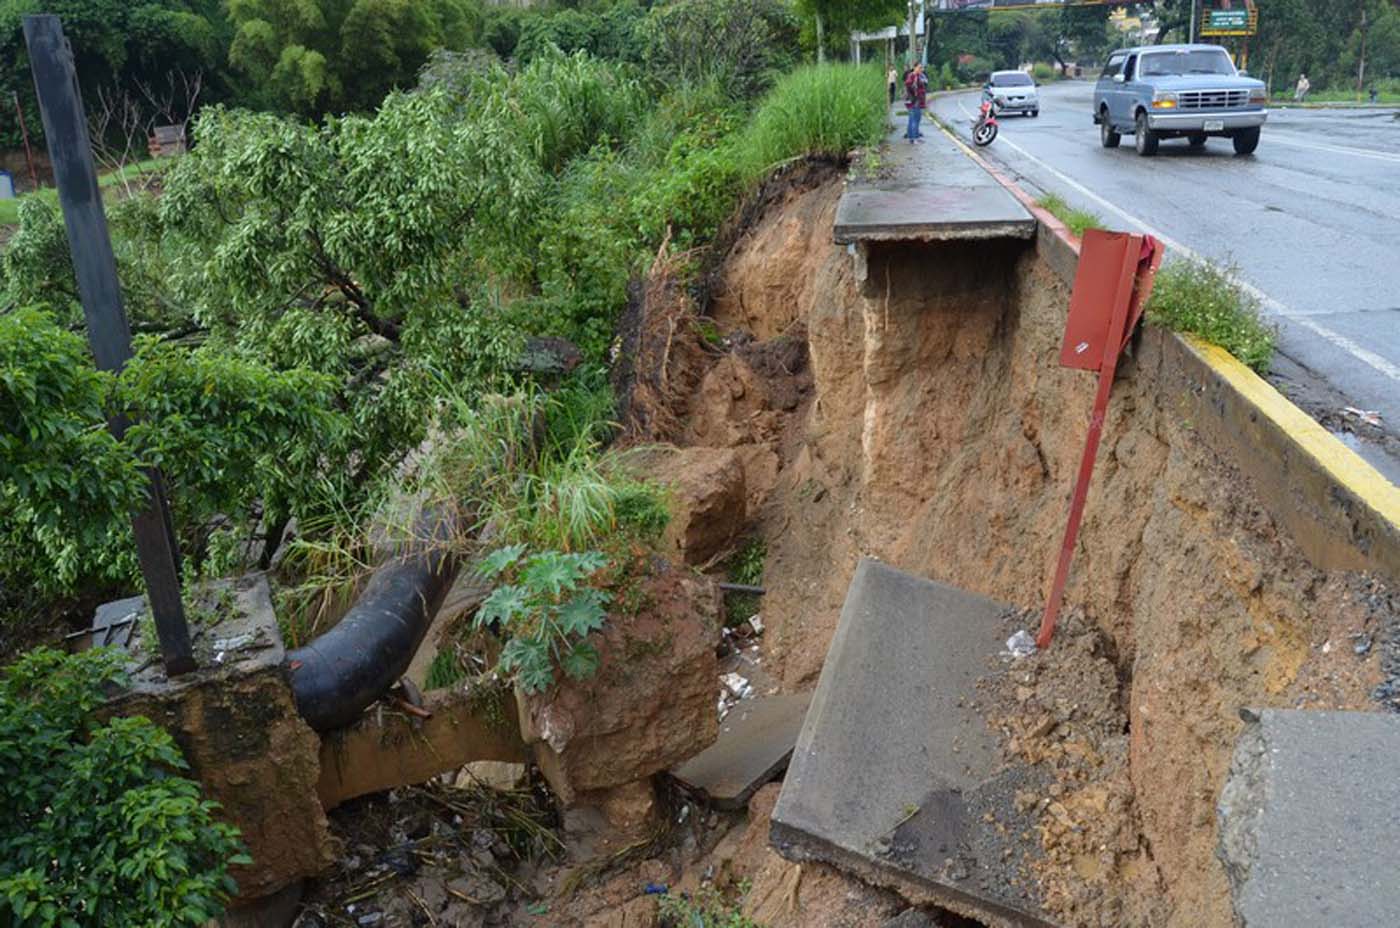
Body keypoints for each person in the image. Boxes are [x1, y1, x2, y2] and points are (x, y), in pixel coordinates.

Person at [904, 63, 928, 144]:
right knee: (916, 119)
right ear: (915, 67)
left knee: (912, 119)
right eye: (919, 67)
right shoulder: (913, 76)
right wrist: (915, 94)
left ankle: (913, 137)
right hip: (915, 101)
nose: (921, 69)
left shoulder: (917, 76)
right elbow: (908, 84)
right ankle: (914, 138)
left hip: (914, 101)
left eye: (921, 68)